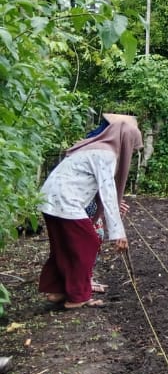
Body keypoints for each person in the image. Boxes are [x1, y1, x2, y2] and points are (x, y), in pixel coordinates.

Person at [38, 113, 142, 309]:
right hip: (67, 202)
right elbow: (107, 191)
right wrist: (118, 233)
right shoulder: (106, 154)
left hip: (50, 199)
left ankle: (58, 289)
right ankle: (78, 296)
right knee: (87, 244)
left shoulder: (92, 148)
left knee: (64, 245)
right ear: (125, 141)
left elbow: (86, 182)